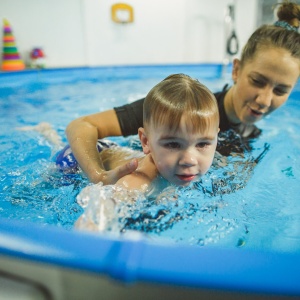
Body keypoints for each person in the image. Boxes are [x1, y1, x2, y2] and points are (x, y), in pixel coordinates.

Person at [63, 1, 300, 184]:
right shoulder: (184, 108)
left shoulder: (252, 136)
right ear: (236, 70)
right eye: (257, 81)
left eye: (280, 90)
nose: (264, 100)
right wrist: (97, 175)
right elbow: (82, 125)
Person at [76, 74, 219, 191]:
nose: (189, 160)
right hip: (74, 161)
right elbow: (100, 214)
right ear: (146, 141)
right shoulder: (139, 182)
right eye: (173, 144)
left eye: (202, 144)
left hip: (113, 150)